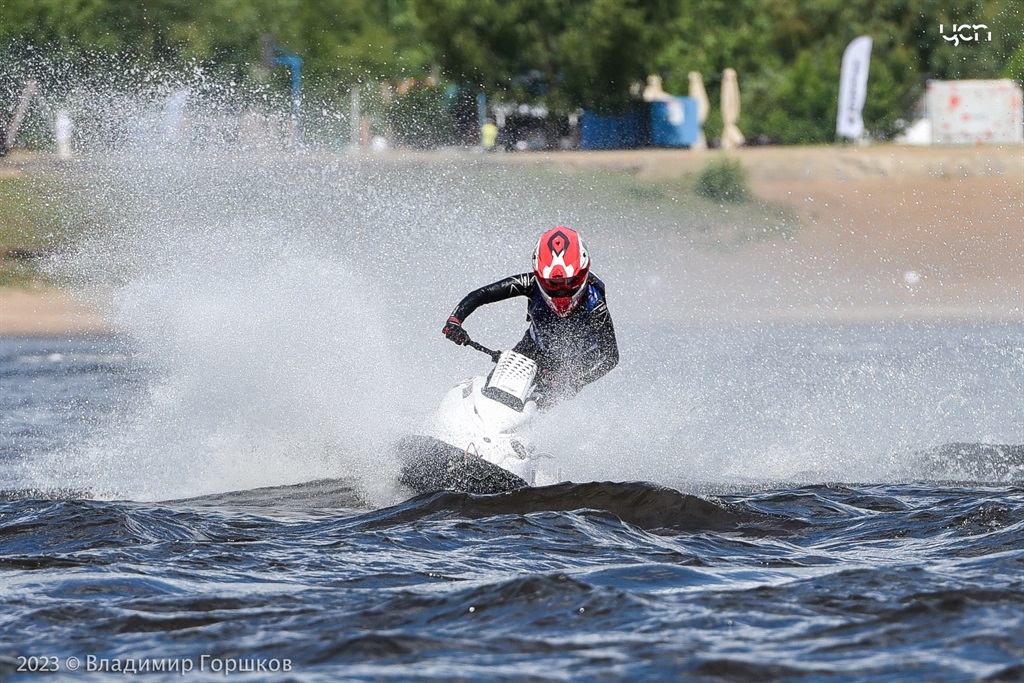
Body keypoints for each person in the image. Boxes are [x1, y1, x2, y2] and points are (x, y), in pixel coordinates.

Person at [442, 226, 618, 407]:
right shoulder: (530, 283)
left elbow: (611, 357)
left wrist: (577, 381)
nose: (561, 292)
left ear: (582, 275)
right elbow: (483, 294)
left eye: (569, 283)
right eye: (552, 284)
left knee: (539, 405)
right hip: (533, 348)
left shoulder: (595, 305)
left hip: (571, 365)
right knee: (494, 392)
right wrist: (455, 320)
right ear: (539, 276)